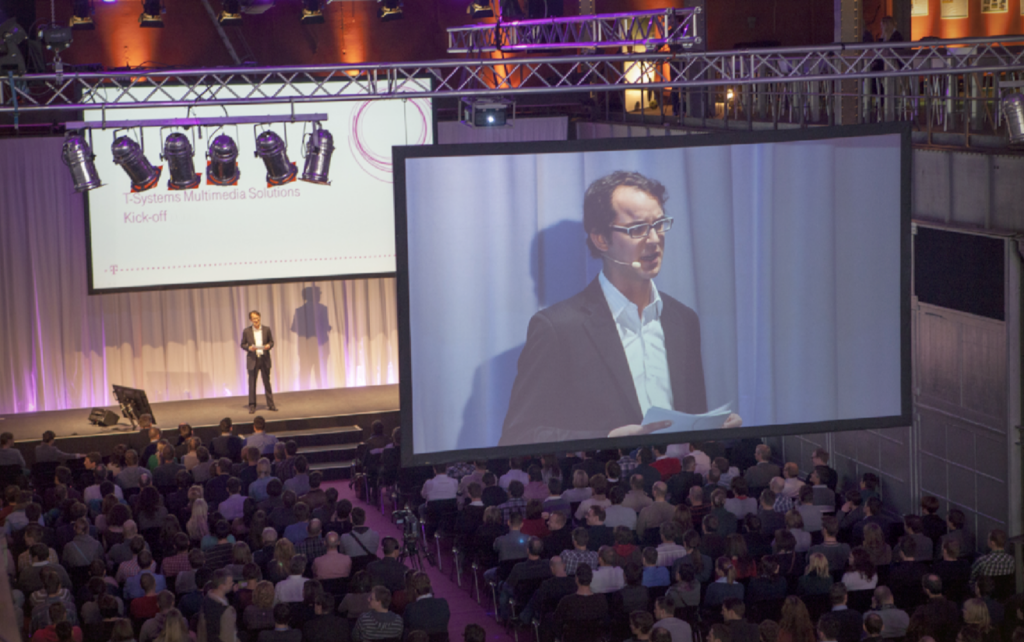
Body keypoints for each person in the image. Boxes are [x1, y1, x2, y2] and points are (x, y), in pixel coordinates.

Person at [499, 171, 741, 446]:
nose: (654, 239)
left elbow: (692, 419)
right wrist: (607, 439)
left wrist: (711, 430)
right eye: (637, 229)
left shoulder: (682, 319)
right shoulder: (558, 328)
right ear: (601, 239)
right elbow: (516, 437)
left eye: (660, 224)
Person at [241, 310, 277, 414]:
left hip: (264, 358)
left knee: (267, 383)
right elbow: (243, 344)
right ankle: (252, 405)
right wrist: (249, 348)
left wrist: (268, 346)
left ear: (260, 318)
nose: (256, 321)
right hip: (253, 359)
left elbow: (272, 342)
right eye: (254, 319)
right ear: (250, 320)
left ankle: (271, 404)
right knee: (252, 384)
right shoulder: (246, 331)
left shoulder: (266, 329)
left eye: (257, 318)